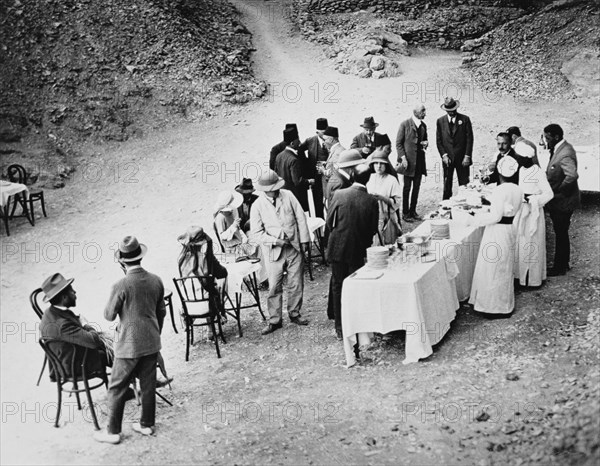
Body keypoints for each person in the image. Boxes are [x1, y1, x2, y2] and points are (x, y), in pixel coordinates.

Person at [95, 236, 166, 444]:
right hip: (151, 340)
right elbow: (161, 312)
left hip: (129, 344)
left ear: (122, 261)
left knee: (116, 387)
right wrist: (155, 333)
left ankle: (113, 432)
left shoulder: (121, 284)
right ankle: (147, 424)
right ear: (141, 257)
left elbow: (108, 315)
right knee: (148, 384)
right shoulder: (156, 280)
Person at [250, 170, 311, 335]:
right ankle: (275, 320)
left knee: (296, 282)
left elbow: (300, 218)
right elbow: (256, 233)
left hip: (294, 247)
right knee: (274, 286)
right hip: (273, 251)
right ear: (264, 190)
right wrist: (275, 241)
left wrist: (304, 241)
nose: (276, 190)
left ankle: (295, 313)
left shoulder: (288, 195)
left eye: (277, 187)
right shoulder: (257, 205)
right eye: (272, 188)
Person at [326, 164, 379, 339]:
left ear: (352, 175)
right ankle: (356, 323)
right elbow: (372, 229)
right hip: (357, 250)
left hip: (336, 247)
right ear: (368, 179)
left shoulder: (339, 194)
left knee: (338, 286)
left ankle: (340, 327)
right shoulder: (371, 200)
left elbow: (329, 222)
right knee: (355, 287)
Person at [469, 156, 523, 315]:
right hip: (510, 229)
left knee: (492, 267)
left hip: (497, 231)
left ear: (499, 172)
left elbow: (495, 217)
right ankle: (503, 303)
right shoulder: (518, 189)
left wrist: (475, 219)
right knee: (504, 266)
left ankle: (492, 307)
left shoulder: (499, 190)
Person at [39, 273, 112, 378]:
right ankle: (119, 390)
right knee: (113, 354)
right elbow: (93, 342)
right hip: (72, 366)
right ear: (64, 297)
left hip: (65, 358)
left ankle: (120, 389)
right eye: (71, 291)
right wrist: (85, 324)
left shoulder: (50, 312)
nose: (75, 292)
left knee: (108, 349)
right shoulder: (62, 324)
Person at [513, 142, 553, 287]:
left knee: (533, 244)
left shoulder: (538, 172)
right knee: (521, 243)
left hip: (533, 213)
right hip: (522, 211)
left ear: (526, 158)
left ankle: (533, 279)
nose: (517, 160)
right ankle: (521, 277)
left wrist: (534, 200)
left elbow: (549, 194)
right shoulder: (522, 169)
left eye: (518, 157)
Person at [544, 123, 580, 276]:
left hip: (562, 201)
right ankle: (563, 263)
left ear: (556, 137)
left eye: (548, 138)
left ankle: (560, 266)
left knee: (561, 232)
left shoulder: (564, 153)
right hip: (560, 200)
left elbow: (571, 175)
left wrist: (560, 189)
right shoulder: (561, 148)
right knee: (561, 232)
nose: (546, 141)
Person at [436, 97, 474, 199]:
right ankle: (446, 208)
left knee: (464, 185)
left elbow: (469, 139)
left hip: (462, 159)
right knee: (447, 185)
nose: (452, 113)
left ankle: (466, 206)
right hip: (448, 159)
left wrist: (467, 156)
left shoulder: (465, 119)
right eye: (449, 111)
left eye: (453, 110)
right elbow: (439, 141)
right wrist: (444, 155)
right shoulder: (440, 121)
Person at [396, 104, 428, 222]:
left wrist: (425, 144)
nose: (425, 113)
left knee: (416, 188)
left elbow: (425, 141)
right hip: (407, 163)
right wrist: (403, 158)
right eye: (422, 111)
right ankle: (405, 213)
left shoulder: (423, 126)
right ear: (415, 112)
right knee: (407, 188)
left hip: (419, 163)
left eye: (424, 111)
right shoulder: (404, 125)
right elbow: (398, 144)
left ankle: (413, 211)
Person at [366, 149, 402, 245]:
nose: (378, 166)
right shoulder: (369, 178)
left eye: (381, 163)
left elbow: (397, 201)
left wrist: (382, 197)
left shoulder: (391, 180)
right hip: (371, 217)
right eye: (376, 163)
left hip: (386, 217)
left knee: (388, 245)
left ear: (386, 165)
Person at [274, 126, 313, 211]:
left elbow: (276, 175)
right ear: (292, 143)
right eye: (297, 140)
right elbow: (298, 181)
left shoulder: (279, 156)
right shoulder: (294, 159)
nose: (299, 142)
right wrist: (309, 181)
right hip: (296, 197)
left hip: (283, 195)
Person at [299, 118, 329, 219]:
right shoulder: (310, 141)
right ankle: (321, 226)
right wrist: (307, 164)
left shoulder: (331, 139)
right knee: (317, 203)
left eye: (327, 131)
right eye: (323, 132)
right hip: (316, 178)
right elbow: (299, 151)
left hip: (328, 177)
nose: (325, 134)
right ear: (317, 132)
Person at [214, 190, 258, 258]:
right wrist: (233, 226)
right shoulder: (220, 217)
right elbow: (223, 237)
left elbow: (238, 229)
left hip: (240, 242)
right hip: (232, 248)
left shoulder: (231, 212)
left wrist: (244, 238)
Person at [319, 126, 345, 202]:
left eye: (325, 139)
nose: (323, 143)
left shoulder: (338, 152)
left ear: (331, 139)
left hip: (335, 191)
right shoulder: (337, 150)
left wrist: (323, 170)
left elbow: (335, 172)